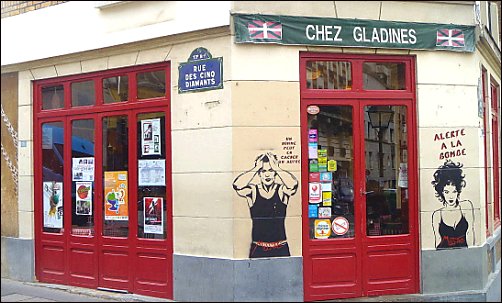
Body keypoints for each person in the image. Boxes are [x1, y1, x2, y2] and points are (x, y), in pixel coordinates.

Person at [233, 152, 298, 258]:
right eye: (263, 171)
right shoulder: (253, 191)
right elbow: (237, 185)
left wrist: (276, 167)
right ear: (259, 174)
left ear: (275, 173)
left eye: (271, 171)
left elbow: (293, 185)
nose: (267, 175)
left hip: (280, 248)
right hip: (258, 248)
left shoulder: (281, 190)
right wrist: (256, 167)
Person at [431, 160, 475, 249]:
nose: (450, 196)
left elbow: (470, 232)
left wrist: (471, 253)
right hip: (444, 255)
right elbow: (437, 239)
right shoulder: (437, 215)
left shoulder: (466, 207)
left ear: (458, 191)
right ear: (441, 193)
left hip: (464, 254)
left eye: (454, 191)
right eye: (446, 192)